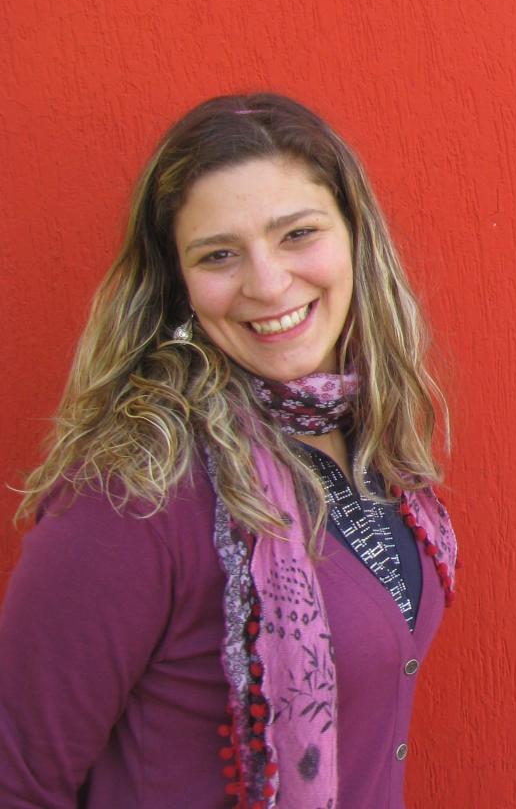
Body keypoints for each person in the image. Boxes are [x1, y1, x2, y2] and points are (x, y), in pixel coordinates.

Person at [0, 94, 458, 808]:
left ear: (354, 237)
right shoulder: (134, 494)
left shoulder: (370, 444)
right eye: (218, 254)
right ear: (179, 284)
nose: (267, 283)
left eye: (297, 233)